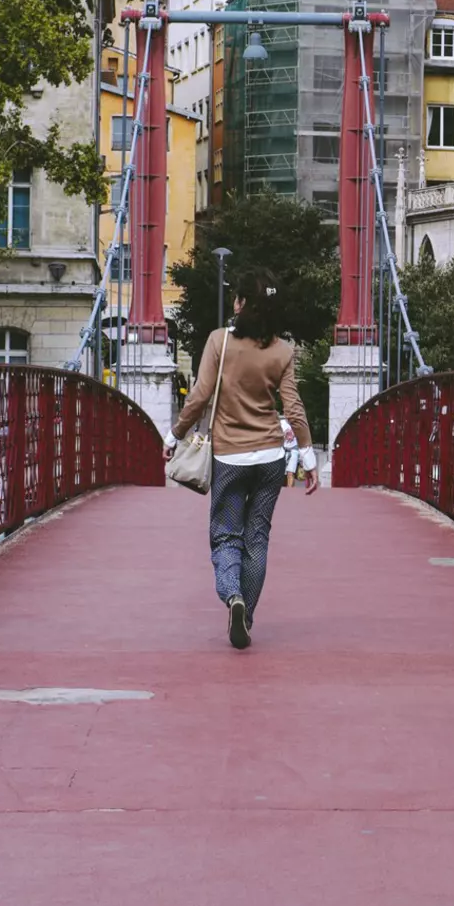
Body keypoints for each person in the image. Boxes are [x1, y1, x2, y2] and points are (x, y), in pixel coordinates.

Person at [167, 277, 318, 649]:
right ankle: (246, 614)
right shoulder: (282, 351)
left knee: (226, 535)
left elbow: (200, 395)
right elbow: (293, 408)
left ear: (239, 304)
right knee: (258, 538)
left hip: (229, 457)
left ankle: (232, 595)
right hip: (270, 458)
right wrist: (308, 456)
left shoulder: (219, 341)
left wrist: (174, 436)